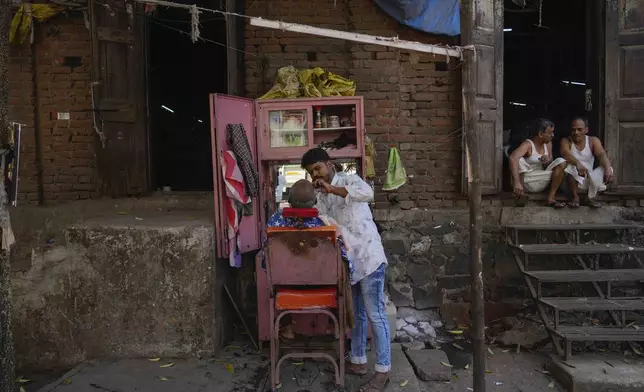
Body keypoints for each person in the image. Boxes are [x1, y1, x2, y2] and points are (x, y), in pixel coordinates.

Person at [301, 148, 391, 392]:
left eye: (317, 168)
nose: (316, 175)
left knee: (376, 315)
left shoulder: (350, 180)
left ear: (329, 164)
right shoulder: (321, 197)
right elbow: (323, 222)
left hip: (369, 257)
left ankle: (383, 370)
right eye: (311, 173)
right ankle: (359, 361)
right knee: (358, 315)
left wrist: (334, 190)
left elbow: (368, 193)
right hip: (350, 261)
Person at [262, 179, 354, 340]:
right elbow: (343, 260)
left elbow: (265, 260)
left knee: (276, 281)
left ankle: (287, 326)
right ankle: (334, 326)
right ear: (315, 202)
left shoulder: (275, 222)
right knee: (343, 275)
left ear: (289, 200)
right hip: (322, 286)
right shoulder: (324, 225)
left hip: (285, 287)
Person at [508, 118, 567, 207]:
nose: (553, 135)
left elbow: (550, 162)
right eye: (550, 133)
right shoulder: (528, 144)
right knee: (518, 159)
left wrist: (547, 160)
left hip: (542, 180)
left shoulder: (548, 143)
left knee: (561, 162)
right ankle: (520, 195)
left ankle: (551, 198)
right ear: (540, 134)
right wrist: (517, 182)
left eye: (553, 132)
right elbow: (512, 158)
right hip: (527, 182)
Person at [559, 116, 615, 208]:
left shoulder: (593, 140)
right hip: (570, 182)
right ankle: (575, 197)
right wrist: (578, 164)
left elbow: (601, 154)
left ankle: (590, 197)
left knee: (607, 168)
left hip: (588, 180)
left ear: (586, 130)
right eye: (573, 130)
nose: (576, 133)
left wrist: (608, 170)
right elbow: (566, 154)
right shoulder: (566, 141)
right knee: (570, 167)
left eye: (579, 129)